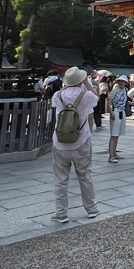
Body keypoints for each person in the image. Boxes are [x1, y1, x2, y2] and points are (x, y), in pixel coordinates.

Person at [49, 66, 98, 222]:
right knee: (85, 176)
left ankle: (61, 213)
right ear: (81, 80)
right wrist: (87, 83)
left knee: (61, 179)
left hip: (60, 142)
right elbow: (97, 98)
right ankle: (91, 209)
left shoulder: (58, 95)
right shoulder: (86, 96)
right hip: (81, 140)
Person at [106, 75, 131, 163]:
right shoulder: (115, 91)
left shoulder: (125, 90)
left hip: (122, 112)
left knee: (117, 134)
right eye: (119, 81)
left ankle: (114, 153)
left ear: (125, 83)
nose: (120, 83)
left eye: (122, 81)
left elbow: (126, 101)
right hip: (115, 111)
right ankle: (111, 156)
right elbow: (109, 101)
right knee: (114, 134)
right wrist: (111, 113)